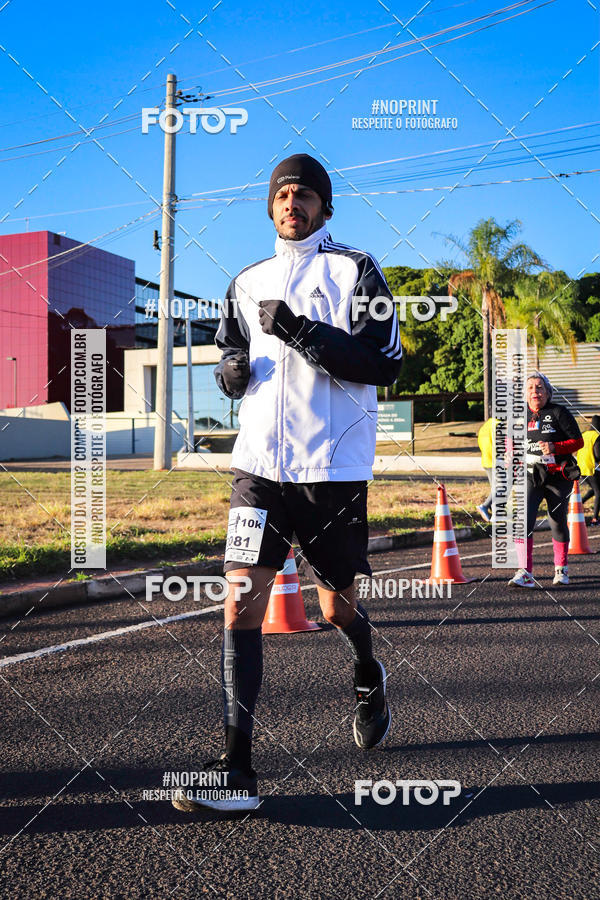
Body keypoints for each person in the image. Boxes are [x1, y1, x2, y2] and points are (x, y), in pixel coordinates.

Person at [172, 154, 403, 814]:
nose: (291, 202)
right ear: (270, 206)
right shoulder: (246, 281)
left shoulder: (356, 270)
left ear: (325, 207)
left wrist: (301, 331)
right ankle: (237, 771)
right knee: (240, 600)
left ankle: (366, 670)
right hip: (259, 473)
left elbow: (386, 361)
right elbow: (228, 350)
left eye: (304, 194)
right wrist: (230, 370)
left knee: (335, 609)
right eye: (281, 194)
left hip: (331, 474)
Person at [509, 372, 583, 588]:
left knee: (557, 519)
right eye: (531, 388)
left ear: (548, 392)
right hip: (530, 475)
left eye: (540, 387)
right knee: (524, 521)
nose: (535, 392)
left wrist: (555, 447)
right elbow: (511, 442)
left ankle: (561, 569)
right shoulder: (519, 415)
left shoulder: (559, 412)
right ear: (525, 393)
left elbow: (578, 442)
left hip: (558, 475)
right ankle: (524, 572)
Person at [578, 415, 600, 526]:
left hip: (581, 468)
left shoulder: (584, 435)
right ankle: (595, 519)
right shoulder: (597, 436)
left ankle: (579, 503)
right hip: (592, 468)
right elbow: (598, 454)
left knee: (596, 488)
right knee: (599, 491)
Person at [477, 417, 498, 522]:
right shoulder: (499, 425)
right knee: (501, 487)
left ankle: (495, 514)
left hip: (486, 460)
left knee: (495, 488)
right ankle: (484, 506)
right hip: (496, 461)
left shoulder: (486, 425)